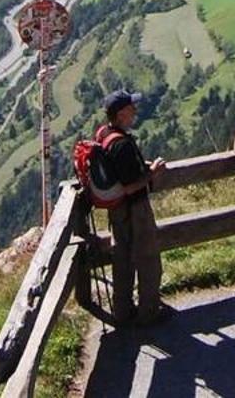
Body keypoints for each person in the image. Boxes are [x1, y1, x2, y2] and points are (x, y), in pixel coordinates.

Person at [100, 90, 171, 326]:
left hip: (117, 211)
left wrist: (143, 167)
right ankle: (149, 312)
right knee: (148, 258)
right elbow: (130, 186)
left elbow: (121, 173)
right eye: (131, 108)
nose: (135, 111)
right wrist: (152, 173)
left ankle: (122, 311)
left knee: (122, 259)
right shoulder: (122, 144)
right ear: (121, 114)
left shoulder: (105, 134)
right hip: (135, 209)